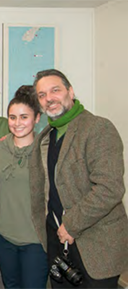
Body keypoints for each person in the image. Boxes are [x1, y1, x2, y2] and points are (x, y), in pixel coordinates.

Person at [29, 69, 128, 289]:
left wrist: (71, 226)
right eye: (42, 95)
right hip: (58, 241)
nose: (49, 98)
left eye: (55, 90)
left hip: (96, 244)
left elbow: (109, 188)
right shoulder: (46, 136)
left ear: (70, 91)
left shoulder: (97, 128)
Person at [0, 85, 48, 289]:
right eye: (12, 117)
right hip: (3, 235)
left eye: (24, 117)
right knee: (11, 285)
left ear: (37, 118)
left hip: (35, 239)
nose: (17, 123)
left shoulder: (46, 151)